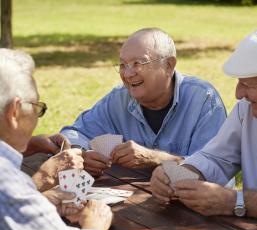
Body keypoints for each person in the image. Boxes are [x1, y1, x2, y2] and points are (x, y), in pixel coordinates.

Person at [0, 48, 112, 230]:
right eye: (36, 108)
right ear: (14, 112)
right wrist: (95, 223)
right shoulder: (7, 184)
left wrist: (41, 198)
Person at [61, 28, 227, 176]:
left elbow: (214, 169)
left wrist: (155, 158)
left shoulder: (204, 100)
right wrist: (82, 153)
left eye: (137, 63)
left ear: (169, 65)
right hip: (136, 204)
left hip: (192, 206)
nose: (127, 74)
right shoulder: (119, 99)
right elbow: (74, 133)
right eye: (122, 65)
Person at [150, 30, 257, 219]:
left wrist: (234, 201)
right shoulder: (245, 109)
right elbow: (217, 158)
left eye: (249, 85)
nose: (239, 94)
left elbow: (232, 199)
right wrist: (180, 173)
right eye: (240, 83)